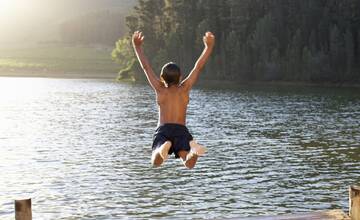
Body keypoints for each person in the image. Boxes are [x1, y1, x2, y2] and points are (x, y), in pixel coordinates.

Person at [132, 31, 215, 169]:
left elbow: (146, 67)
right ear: (180, 77)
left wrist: (137, 47)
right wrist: (208, 47)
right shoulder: (184, 89)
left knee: (156, 161)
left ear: (162, 77)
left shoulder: (160, 89)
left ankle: (162, 148)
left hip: (163, 129)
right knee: (188, 163)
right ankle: (192, 152)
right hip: (181, 130)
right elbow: (198, 67)